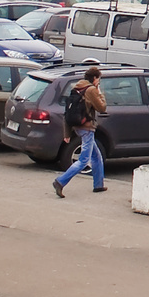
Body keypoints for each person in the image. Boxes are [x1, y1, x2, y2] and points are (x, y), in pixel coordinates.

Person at [53, 65, 107, 198]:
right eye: (98, 79)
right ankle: (60, 181)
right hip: (87, 128)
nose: (99, 82)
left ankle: (98, 185)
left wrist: (67, 133)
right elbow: (102, 108)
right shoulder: (91, 90)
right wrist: (99, 92)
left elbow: (68, 112)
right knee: (84, 160)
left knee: (97, 156)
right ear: (94, 78)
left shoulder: (76, 88)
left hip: (77, 126)